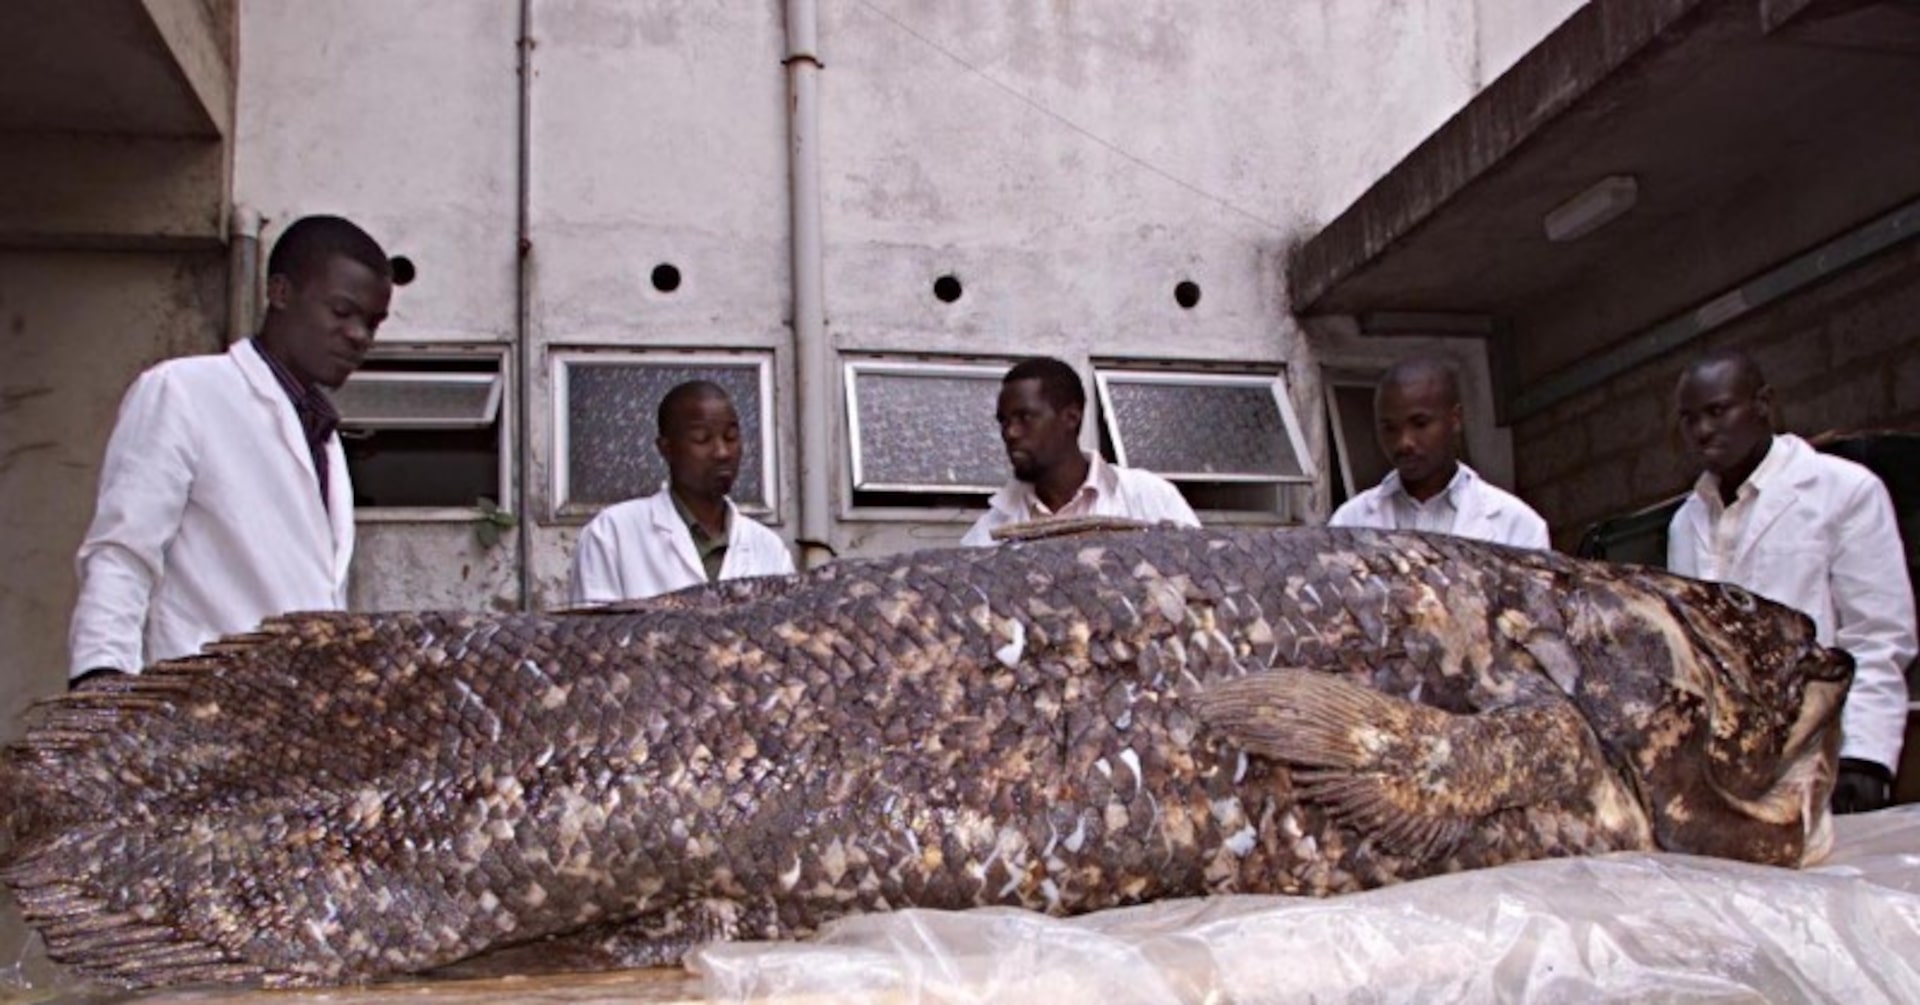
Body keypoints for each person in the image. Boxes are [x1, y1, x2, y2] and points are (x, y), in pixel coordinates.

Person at [68, 215, 396, 686]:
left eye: (372, 322)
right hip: (196, 708)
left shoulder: (323, 438)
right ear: (280, 293)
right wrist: (98, 680)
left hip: (295, 725)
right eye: (342, 312)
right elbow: (122, 552)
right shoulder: (183, 392)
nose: (360, 335)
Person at [1668, 348, 1916, 814]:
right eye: (1689, 419)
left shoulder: (1843, 491)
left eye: (1718, 411)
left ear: (1763, 403)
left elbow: (1879, 635)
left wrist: (1865, 757)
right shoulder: (1686, 521)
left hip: (1828, 760)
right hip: (1729, 776)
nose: (1702, 431)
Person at [570, 380, 795, 603]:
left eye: (731, 437)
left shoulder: (769, 548)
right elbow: (592, 633)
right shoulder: (611, 534)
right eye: (701, 439)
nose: (722, 452)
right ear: (666, 449)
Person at [962, 357, 1200, 546]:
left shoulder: (1149, 498)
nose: (1010, 432)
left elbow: (1207, 578)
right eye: (1003, 421)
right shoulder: (990, 531)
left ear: (1071, 417)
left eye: (1025, 417)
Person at [1329, 357, 1549, 549]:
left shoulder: (1517, 525)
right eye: (1389, 428)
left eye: (1420, 423)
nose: (1404, 442)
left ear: (1455, 419)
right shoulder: (1348, 523)